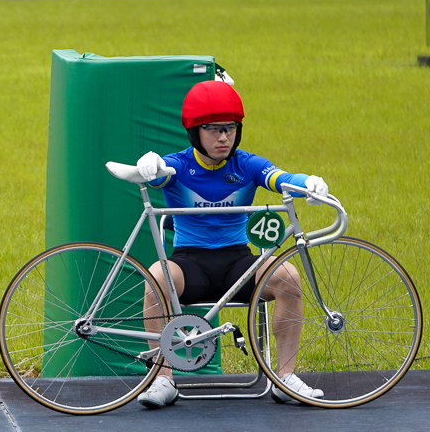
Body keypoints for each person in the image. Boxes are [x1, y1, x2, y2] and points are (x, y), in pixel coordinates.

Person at [132, 79, 332, 408]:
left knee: (289, 278)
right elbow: (161, 173)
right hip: (189, 263)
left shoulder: (246, 164)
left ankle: (285, 378)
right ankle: (162, 378)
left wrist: (307, 183)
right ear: (195, 132)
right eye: (212, 129)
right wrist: (151, 165)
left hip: (239, 262)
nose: (223, 137)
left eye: (230, 128)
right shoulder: (181, 164)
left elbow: (280, 178)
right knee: (156, 276)